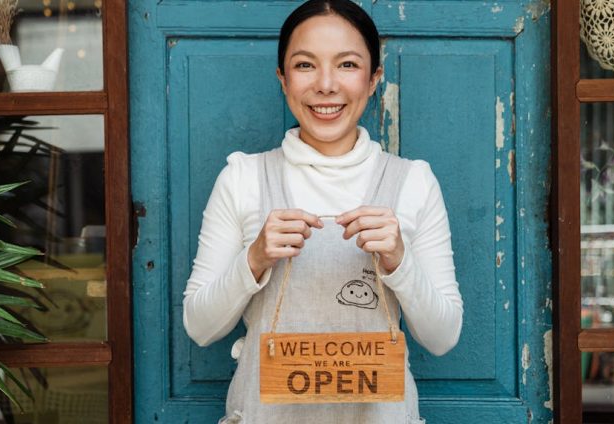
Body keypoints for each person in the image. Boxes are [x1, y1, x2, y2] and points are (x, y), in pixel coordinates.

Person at [183, 0, 463, 422]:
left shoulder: (413, 182)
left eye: (348, 64)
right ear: (283, 78)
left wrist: (400, 260)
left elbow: (442, 338)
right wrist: (255, 258)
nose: (327, 85)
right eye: (305, 65)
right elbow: (200, 327)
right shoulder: (242, 178)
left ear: (374, 79)